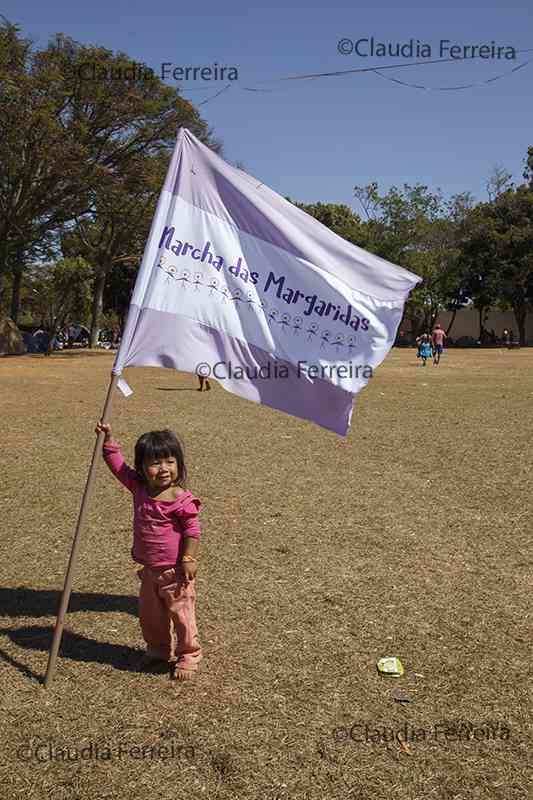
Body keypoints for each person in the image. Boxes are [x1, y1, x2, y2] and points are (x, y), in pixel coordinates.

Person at [95, 422, 203, 681]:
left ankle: (189, 653)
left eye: (169, 461)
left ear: (178, 464)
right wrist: (108, 440)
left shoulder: (181, 499)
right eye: (155, 463)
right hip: (149, 571)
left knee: (182, 615)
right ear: (143, 468)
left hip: (175, 573)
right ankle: (158, 650)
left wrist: (188, 558)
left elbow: (192, 531)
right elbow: (118, 467)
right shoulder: (139, 488)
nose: (163, 469)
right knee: (150, 616)